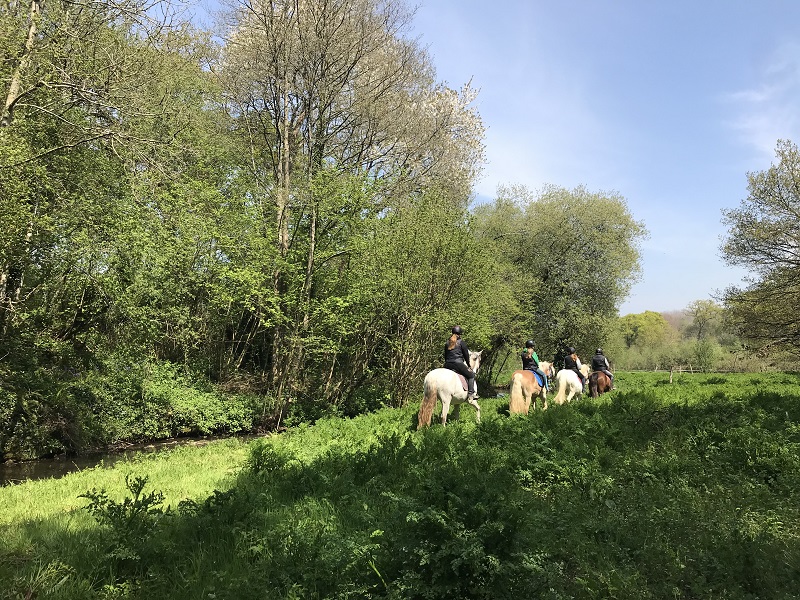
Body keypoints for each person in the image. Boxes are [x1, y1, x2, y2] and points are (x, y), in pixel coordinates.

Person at [444, 325, 477, 399]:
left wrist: (447, 364)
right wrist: (469, 365)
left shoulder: (447, 342)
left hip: (447, 364)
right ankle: (471, 394)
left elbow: (445, 355)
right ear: (459, 334)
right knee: (471, 375)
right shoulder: (461, 342)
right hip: (458, 364)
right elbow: (466, 355)